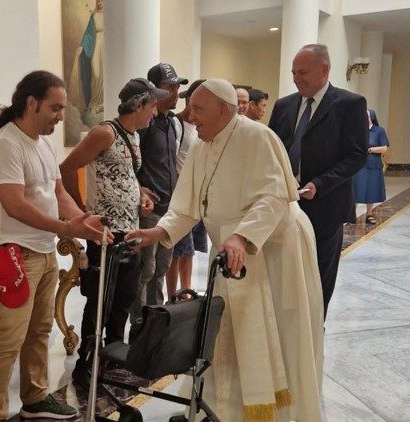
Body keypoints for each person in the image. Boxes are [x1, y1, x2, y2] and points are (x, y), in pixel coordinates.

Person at [128, 79, 324, 421]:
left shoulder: (257, 137)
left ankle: (281, 412)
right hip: (232, 253)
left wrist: (243, 236)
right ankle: (228, 406)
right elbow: (186, 205)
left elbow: (275, 196)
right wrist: (157, 231)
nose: (191, 117)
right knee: (228, 330)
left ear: (224, 109)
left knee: (280, 328)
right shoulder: (203, 144)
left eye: (199, 110)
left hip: (274, 250)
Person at [0, 70, 110, 421]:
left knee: (40, 330)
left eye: (63, 108)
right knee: (8, 340)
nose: (60, 116)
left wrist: (82, 221)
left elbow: (58, 193)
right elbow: (15, 204)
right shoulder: (4, 144)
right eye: (55, 107)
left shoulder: (44, 144)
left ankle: (35, 397)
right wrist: (66, 226)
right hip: (13, 252)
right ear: (31, 102)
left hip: (43, 249)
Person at [59, 78, 166, 385]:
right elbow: (67, 168)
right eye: (153, 106)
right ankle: (87, 363)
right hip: (106, 233)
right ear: (138, 105)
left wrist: (141, 195)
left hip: (130, 230)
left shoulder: (133, 136)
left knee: (123, 297)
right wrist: (81, 215)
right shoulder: (104, 132)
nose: (155, 113)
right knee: (100, 299)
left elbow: (123, 177)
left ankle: (113, 357)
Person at [268, 43, 368, 318]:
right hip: (286, 204)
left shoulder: (349, 104)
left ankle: (314, 328)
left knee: (319, 272)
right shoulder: (284, 105)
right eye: (293, 73)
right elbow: (272, 149)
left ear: (324, 70)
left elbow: (356, 156)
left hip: (325, 204)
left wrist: (320, 184)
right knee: (287, 271)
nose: (297, 78)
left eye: (303, 72)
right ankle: (289, 327)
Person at [129, 62, 187, 324]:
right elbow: (132, 162)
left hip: (170, 209)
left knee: (161, 268)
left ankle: (156, 323)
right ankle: (141, 324)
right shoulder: (144, 124)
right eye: (168, 87)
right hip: (149, 208)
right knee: (146, 270)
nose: (174, 93)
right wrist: (140, 189)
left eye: (176, 87)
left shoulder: (171, 123)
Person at [165, 79, 207, 298]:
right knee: (177, 249)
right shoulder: (177, 124)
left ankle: (186, 292)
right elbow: (173, 159)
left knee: (189, 250)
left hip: (198, 194)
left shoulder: (204, 126)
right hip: (180, 194)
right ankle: (174, 295)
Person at [352, 109, 389, 225]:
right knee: (356, 188)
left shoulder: (379, 131)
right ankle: (352, 214)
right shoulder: (357, 130)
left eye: (366, 116)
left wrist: (370, 149)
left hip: (373, 165)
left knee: (371, 189)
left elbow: (384, 148)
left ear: (371, 117)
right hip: (359, 165)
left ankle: (369, 214)